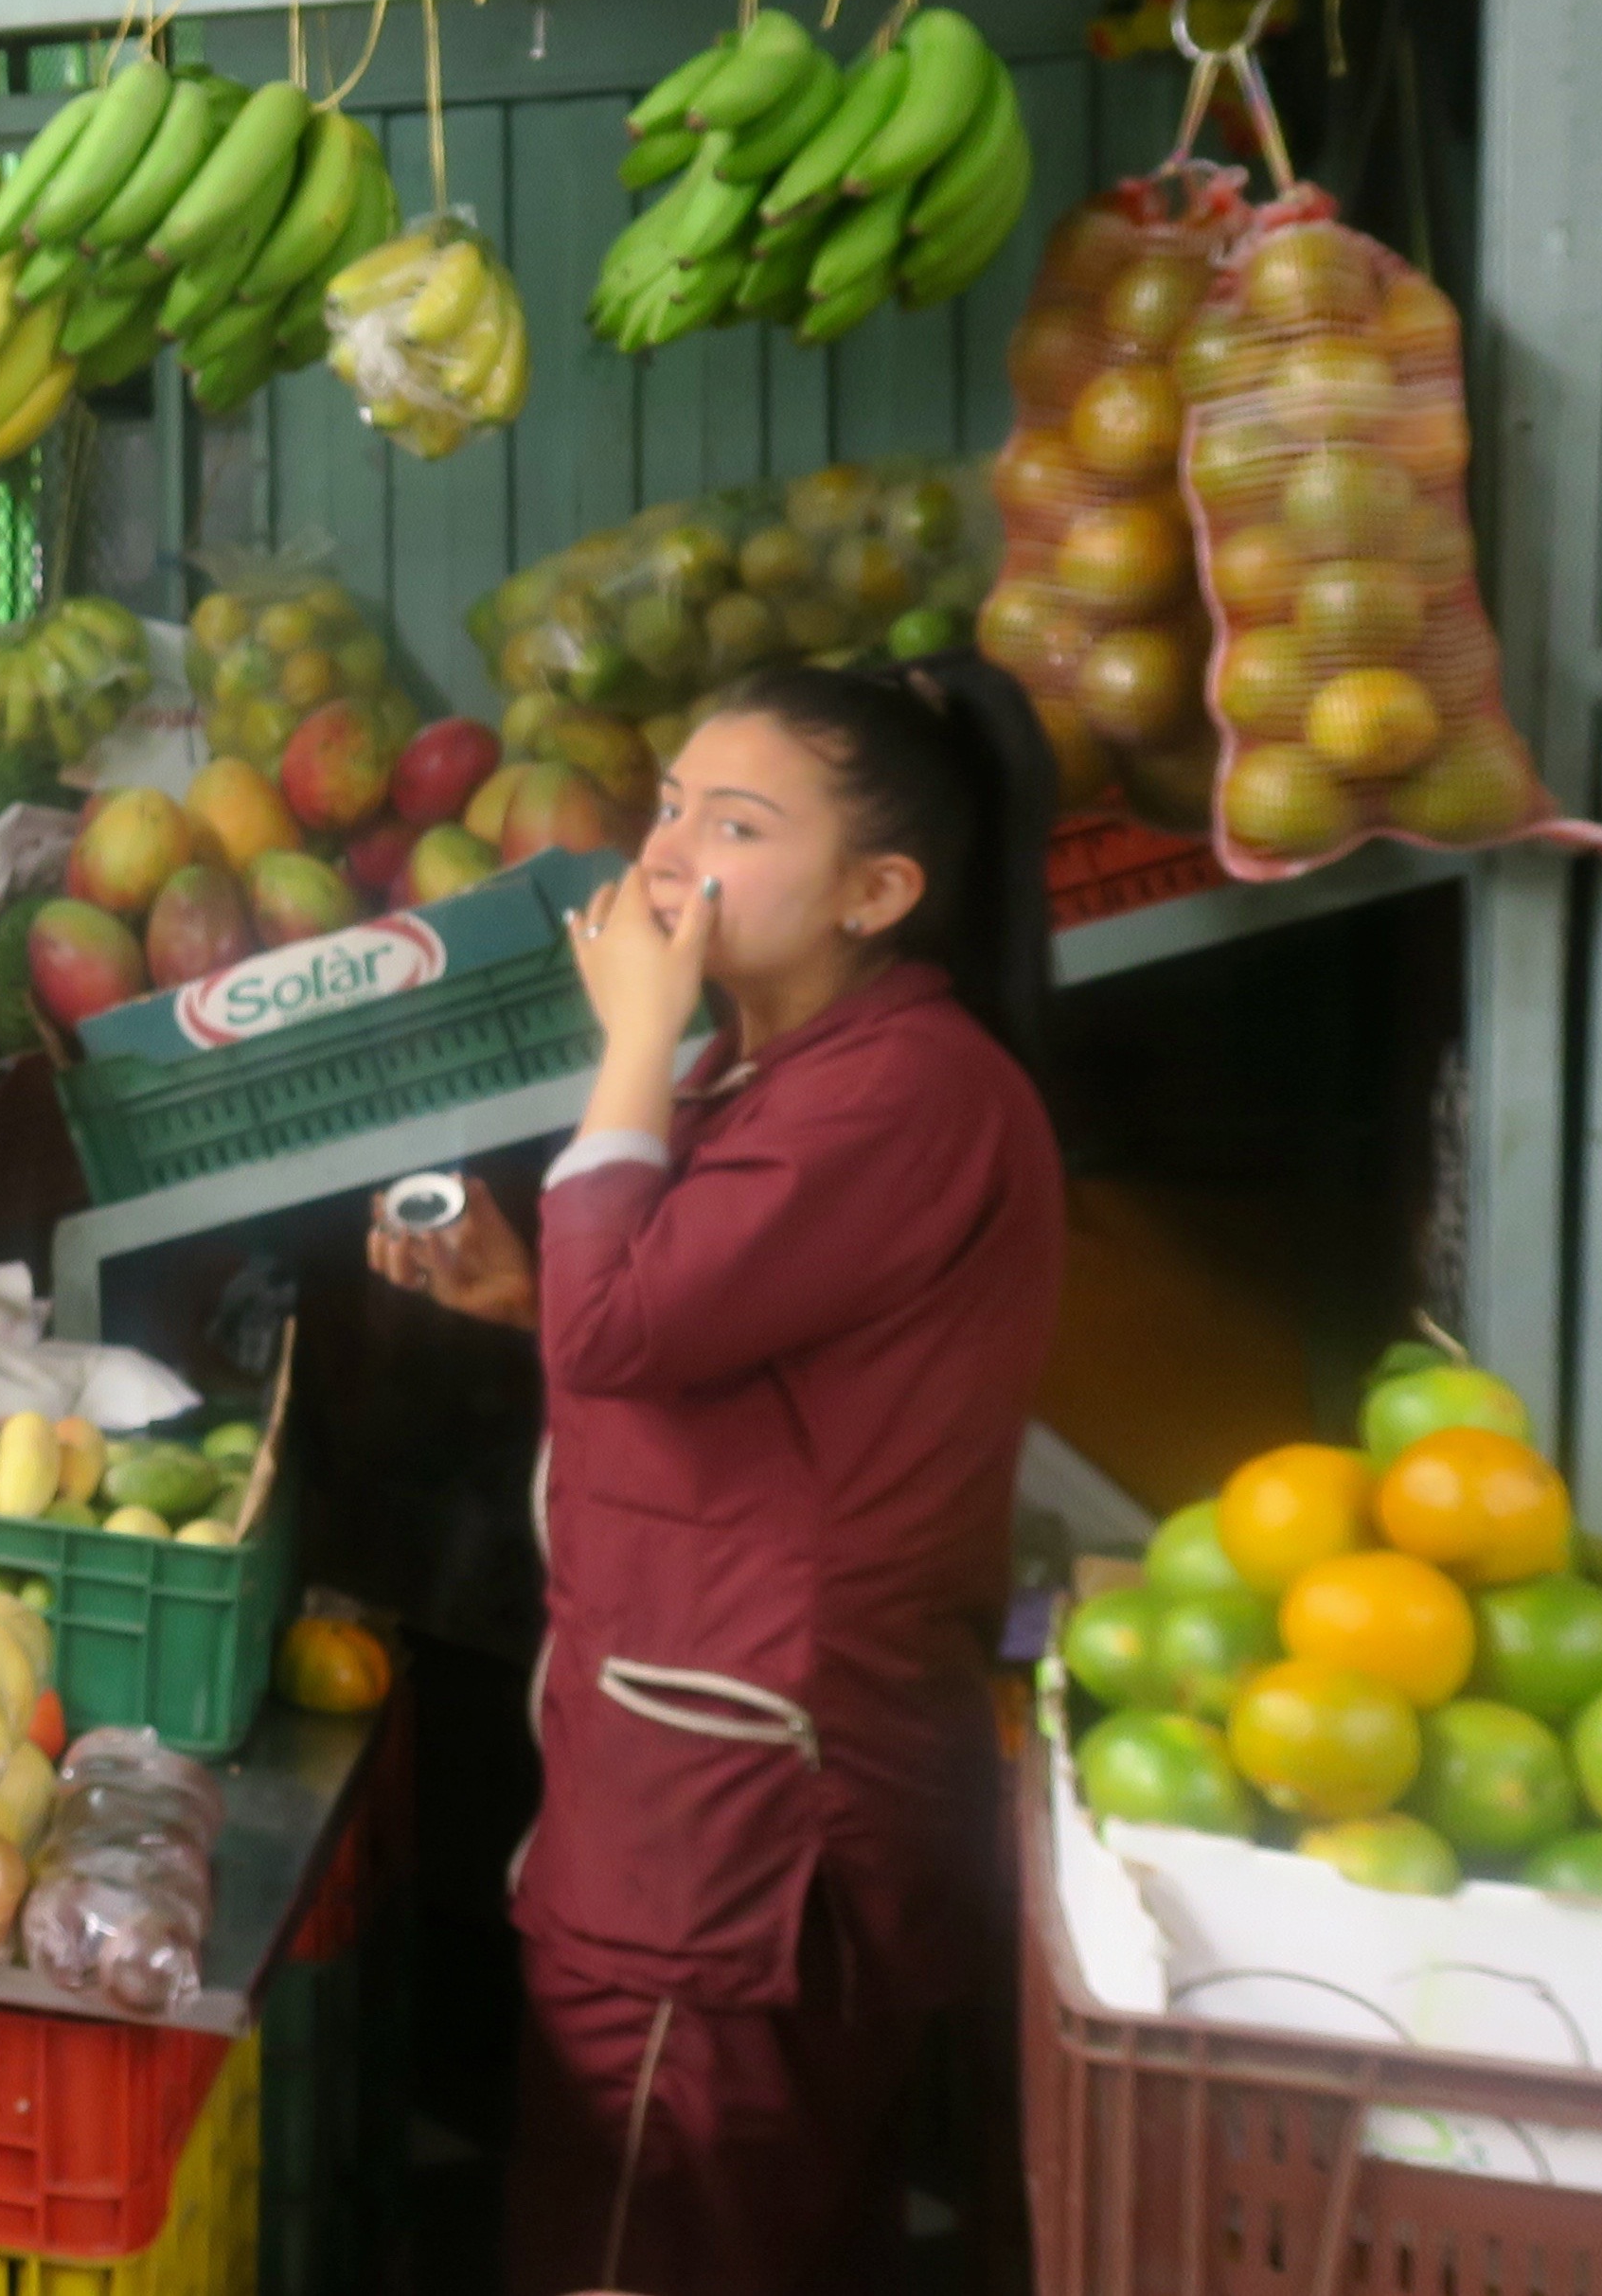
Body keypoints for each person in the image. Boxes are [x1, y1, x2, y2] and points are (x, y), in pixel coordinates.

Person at [366, 658, 1064, 2296]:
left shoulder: (902, 1088)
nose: (671, 852)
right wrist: (520, 1285)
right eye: (671, 802)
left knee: (653, 2235)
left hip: (740, 1827)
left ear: (879, 891)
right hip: (698, 1774)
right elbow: (722, 1337)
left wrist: (632, 1041)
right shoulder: (797, 1063)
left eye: (737, 824)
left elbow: (625, 1324)